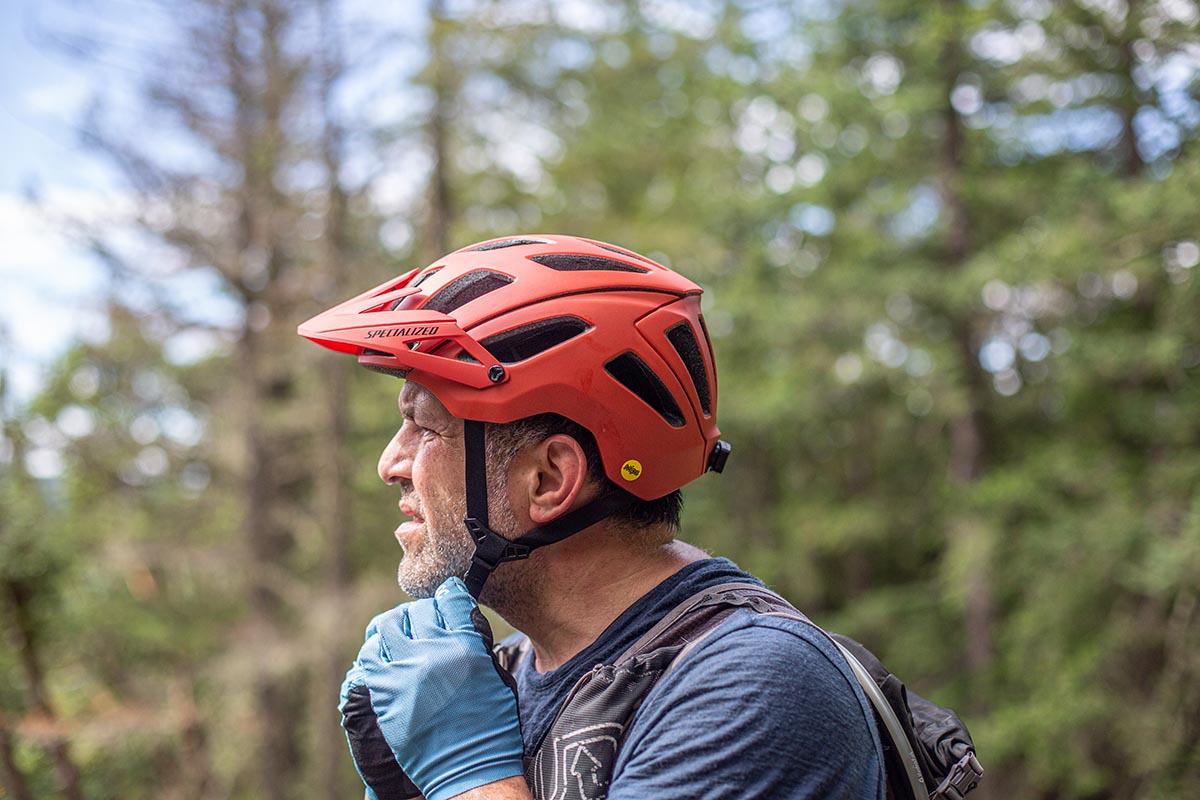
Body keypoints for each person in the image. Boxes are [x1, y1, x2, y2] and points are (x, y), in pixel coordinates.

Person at [298, 234, 886, 800]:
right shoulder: (503, 679)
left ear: (549, 480)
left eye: (426, 426)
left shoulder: (752, 687)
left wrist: (469, 778)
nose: (389, 464)